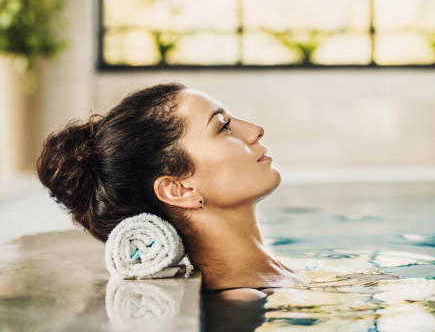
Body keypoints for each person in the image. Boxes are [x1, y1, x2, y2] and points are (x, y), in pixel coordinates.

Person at [36, 82, 308, 300]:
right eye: (223, 127)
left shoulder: (271, 278)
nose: (255, 131)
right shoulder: (243, 299)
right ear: (179, 190)